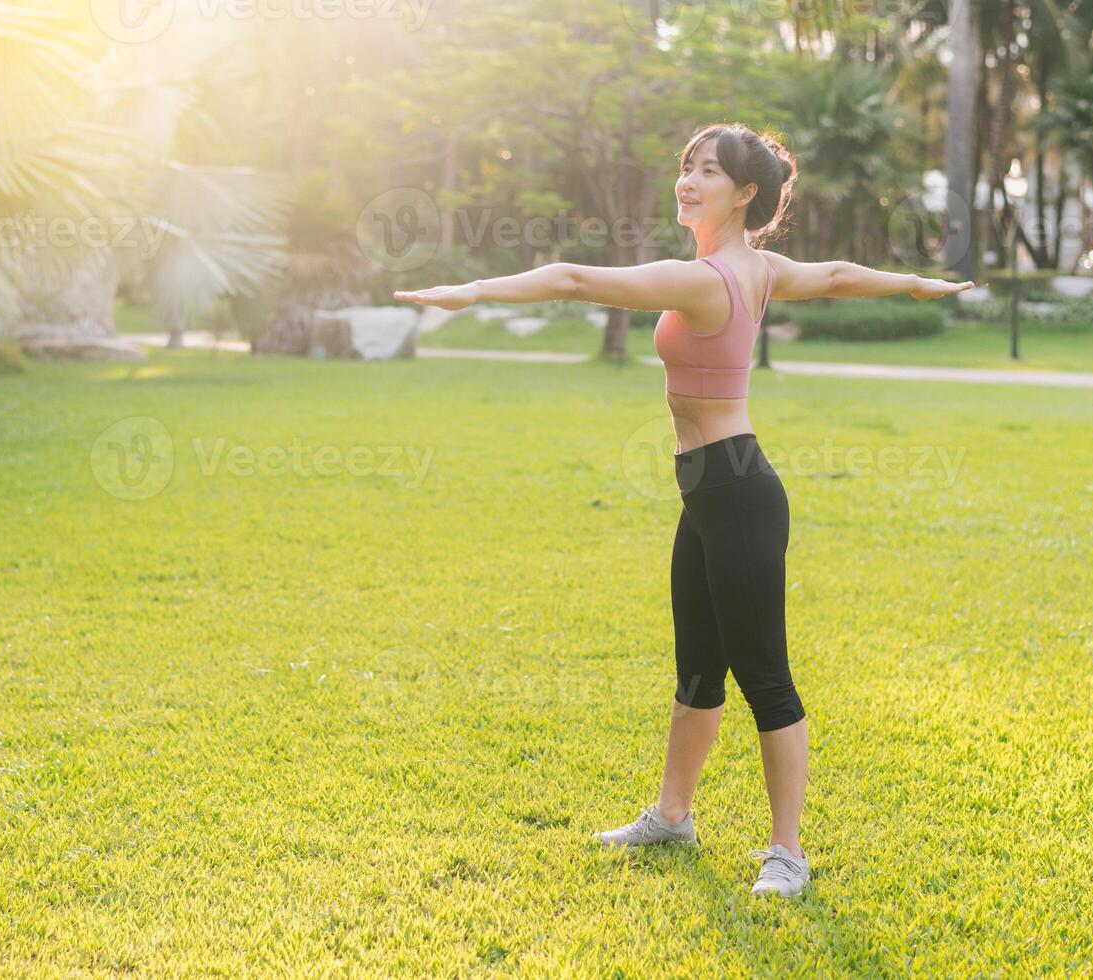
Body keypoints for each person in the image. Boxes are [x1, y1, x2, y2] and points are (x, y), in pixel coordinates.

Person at [393, 122, 972, 898]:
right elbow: (832, 274)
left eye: (707, 171)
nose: (688, 181)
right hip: (708, 488)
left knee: (764, 675)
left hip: (734, 490)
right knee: (697, 668)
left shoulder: (702, 280)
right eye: (685, 167)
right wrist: (910, 282)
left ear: (745, 194)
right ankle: (671, 815)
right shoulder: (755, 269)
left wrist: (472, 290)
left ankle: (787, 854)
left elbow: (570, 280)